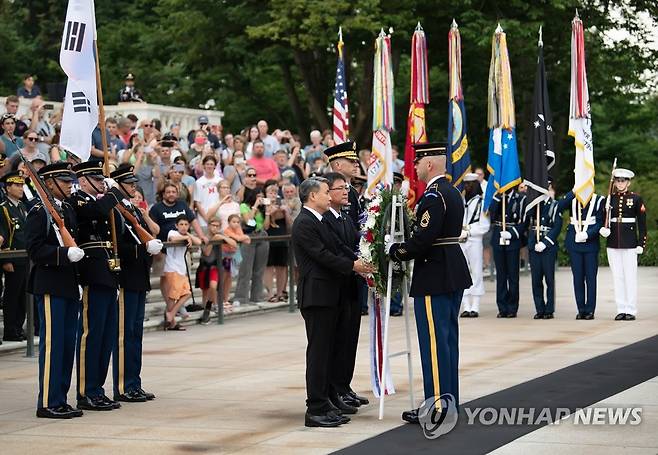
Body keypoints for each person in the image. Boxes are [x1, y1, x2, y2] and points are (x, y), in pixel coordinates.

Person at [386, 142, 472, 424]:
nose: (416, 167)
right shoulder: (453, 192)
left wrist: (394, 250)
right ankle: (450, 402)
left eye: (419, 162)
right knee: (448, 341)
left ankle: (436, 407)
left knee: (434, 343)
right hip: (451, 270)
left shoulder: (434, 196)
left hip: (435, 272)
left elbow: (422, 240)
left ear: (429, 165)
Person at [292, 177, 372, 428]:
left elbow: (339, 247)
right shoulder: (304, 223)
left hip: (330, 295)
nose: (331, 196)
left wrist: (364, 264)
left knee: (328, 352)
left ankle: (326, 402)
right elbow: (322, 256)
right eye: (326, 192)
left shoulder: (320, 220)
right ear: (312, 196)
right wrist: (353, 266)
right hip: (317, 297)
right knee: (318, 353)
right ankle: (315, 408)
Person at [26, 161, 85, 419]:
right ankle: (48, 401)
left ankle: (61, 398)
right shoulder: (40, 212)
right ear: (49, 183)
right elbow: (35, 250)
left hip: (69, 285)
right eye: (64, 181)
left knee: (66, 345)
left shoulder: (67, 211)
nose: (70, 186)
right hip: (50, 284)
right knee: (53, 345)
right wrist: (63, 253)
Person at [68, 161, 124, 411]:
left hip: (109, 271)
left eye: (101, 179)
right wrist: (114, 193)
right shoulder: (78, 200)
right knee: (92, 334)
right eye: (96, 179)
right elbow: (96, 212)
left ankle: (98, 388)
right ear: (82, 180)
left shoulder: (101, 200)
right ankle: (86, 391)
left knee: (106, 334)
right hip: (92, 270)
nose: (102, 182)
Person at [110, 164, 163, 402]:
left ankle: (134, 382)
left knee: (136, 334)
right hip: (127, 277)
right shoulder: (115, 209)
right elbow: (118, 245)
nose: (134, 186)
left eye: (134, 182)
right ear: (119, 185)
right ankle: (123, 386)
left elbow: (150, 231)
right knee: (125, 334)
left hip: (139, 276)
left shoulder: (131, 208)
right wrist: (142, 248)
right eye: (129, 183)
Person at [323, 171, 369, 413]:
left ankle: (340, 388)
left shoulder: (343, 217)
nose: (347, 191)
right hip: (335, 286)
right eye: (341, 188)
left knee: (347, 340)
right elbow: (334, 251)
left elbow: (351, 244)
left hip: (350, 283)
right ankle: (331, 392)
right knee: (333, 344)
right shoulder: (325, 220)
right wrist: (355, 265)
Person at [599, 168, 647, 321]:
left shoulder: (636, 198)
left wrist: (641, 243)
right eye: (618, 181)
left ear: (628, 182)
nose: (620, 183)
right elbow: (604, 218)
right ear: (615, 183)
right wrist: (604, 228)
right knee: (617, 277)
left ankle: (631, 310)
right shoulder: (609, 199)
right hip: (613, 242)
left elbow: (642, 224)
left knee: (630, 277)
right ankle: (621, 308)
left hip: (630, 242)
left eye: (623, 181)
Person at [557, 189, 605, 319]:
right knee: (577, 278)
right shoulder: (573, 198)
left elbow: (600, 222)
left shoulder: (598, 200)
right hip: (575, 242)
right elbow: (558, 207)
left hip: (590, 242)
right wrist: (572, 192)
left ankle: (590, 310)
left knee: (590, 278)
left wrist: (588, 234)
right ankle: (581, 309)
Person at [526, 179, 562, 319]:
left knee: (549, 279)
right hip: (534, 245)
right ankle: (539, 308)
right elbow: (528, 223)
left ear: (549, 186)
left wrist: (545, 242)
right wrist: (532, 243)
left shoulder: (554, 205)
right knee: (536, 280)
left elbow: (557, 227)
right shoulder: (533, 204)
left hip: (548, 247)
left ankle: (549, 309)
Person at [489, 185, 527, 318]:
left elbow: (523, 221)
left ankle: (512, 308)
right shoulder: (498, 198)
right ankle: (502, 307)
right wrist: (497, 199)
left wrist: (512, 233)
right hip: (499, 237)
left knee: (512, 275)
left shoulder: (520, 199)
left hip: (512, 239)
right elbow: (492, 216)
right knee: (501, 275)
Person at [0, 171, 28, 341]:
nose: (20, 188)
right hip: (12, 257)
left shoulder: (22, 207)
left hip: (24, 258)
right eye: (16, 185)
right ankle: (10, 329)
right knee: (12, 295)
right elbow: (3, 234)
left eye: (22, 185)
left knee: (22, 296)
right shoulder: (3, 208)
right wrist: (6, 259)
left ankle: (18, 327)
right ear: (8, 188)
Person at [459, 173, 490, 318]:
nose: (467, 187)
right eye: (465, 184)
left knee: (476, 272)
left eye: (470, 184)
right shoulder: (460, 201)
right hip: (460, 241)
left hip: (474, 240)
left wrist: (469, 231)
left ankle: (475, 306)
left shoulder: (482, 202)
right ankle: (466, 306)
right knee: (462, 272)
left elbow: (484, 226)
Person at [233, 188, 270, 306]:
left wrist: (268, 212)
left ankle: (257, 297)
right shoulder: (244, 206)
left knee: (259, 270)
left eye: (262, 196)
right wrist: (255, 206)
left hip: (262, 235)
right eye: (258, 196)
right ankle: (241, 297)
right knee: (245, 269)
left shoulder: (262, 209)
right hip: (248, 236)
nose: (260, 198)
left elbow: (266, 226)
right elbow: (248, 221)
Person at [164, 215, 202, 329]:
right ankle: (171, 321)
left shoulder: (186, 235)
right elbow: (172, 239)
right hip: (172, 268)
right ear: (176, 225)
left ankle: (171, 314)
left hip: (181, 270)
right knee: (173, 296)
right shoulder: (173, 232)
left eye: (186, 224)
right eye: (181, 224)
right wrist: (185, 238)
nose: (184, 227)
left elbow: (199, 242)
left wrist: (188, 235)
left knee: (188, 293)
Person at [196, 217, 236, 323]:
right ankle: (206, 312)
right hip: (204, 265)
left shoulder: (220, 234)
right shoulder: (205, 236)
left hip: (215, 266)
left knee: (213, 286)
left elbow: (234, 244)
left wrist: (223, 238)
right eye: (213, 225)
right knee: (205, 291)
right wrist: (213, 240)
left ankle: (213, 306)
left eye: (217, 226)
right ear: (209, 225)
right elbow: (207, 252)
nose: (215, 228)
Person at [220, 214, 251, 310]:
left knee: (229, 278)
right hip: (224, 256)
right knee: (223, 278)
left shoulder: (238, 229)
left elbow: (248, 241)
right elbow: (239, 238)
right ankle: (219, 300)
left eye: (238, 222)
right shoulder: (226, 230)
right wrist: (243, 237)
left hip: (232, 256)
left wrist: (243, 237)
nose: (236, 224)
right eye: (234, 222)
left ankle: (225, 299)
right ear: (229, 222)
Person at [193, 155, 222, 228]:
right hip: (203, 219)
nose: (209, 166)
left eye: (211, 164)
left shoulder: (220, 181)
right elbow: (197, 202)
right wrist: (205, 217)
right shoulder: (198, 182)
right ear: (204, 166)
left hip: (218, 215)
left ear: (215, 166)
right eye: (207, 164)